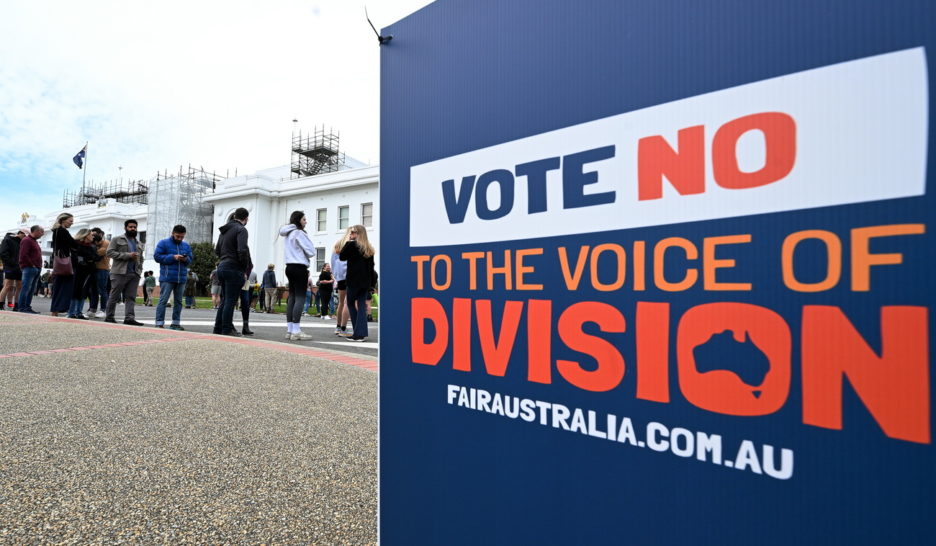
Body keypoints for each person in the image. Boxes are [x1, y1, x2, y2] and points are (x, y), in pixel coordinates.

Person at [278, 210, 317, 340]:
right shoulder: (299, 233)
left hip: (289, 267)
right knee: (300, 297)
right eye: (304, 219)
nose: (306, 222)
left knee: (292, 297)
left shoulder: (287, 234)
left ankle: (290, 330)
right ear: (299, 220)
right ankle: (296, 330)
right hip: (299, 267)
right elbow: (311, 251)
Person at [213, 207, 252, 336]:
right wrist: (243, 267)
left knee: (225, 300)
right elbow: (242, 250)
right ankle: (227, 328)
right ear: (245, 218)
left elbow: (217, 250)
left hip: (222, 266)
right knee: (230, 300)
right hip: (234, 267)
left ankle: (218, 328)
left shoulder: (224, 231)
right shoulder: (241, 229)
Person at [339, 224, 377, 341]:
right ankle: (361, 333)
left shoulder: (351, 245)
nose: (351, 235)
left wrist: (348, 242)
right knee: (361, 305)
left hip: (353, 280)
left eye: (353, 232)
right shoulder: (368, 248)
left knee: (350, 303)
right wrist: (372, 285)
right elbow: (371, 268)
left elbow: (342, 257)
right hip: (365, 282)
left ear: (358, 234)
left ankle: (358, 333)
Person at [105, 219, 145, 326]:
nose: (133, 229)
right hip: (119, 272)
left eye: (134, 227)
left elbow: (141, 258)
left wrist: (139, 270)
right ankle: (109, 316)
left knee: (131, 297)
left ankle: (129, 318)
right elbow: (109, 252)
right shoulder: (117, 239)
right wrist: (127, 255)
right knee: (114, 296)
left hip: (134, 273)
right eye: (130, 227)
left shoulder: (139, 243)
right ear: (125, 228)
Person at [153, 225, 193, 330]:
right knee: (163, 300)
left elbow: (190, 260)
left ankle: (175, 323)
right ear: (172, 233)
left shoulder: (186, 245)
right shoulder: (163, 243)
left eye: (182, 237)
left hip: (181, 278)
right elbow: (157, 257)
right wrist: (173, 257)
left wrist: (185, 259)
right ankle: (159, 323)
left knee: (179, 302)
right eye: (177, 236)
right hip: (167, 277)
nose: (180, 239)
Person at [49, 213, 77, 317]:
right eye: (70, 221)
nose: (72, 223)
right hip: (65, 263)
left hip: (58, 262)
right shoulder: (62, 231)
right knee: (64, 287)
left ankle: (54, 310)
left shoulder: (55, 231)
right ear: (63, 220)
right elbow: (73, 244)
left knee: (58, 287)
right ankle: (58, 309)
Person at [68, 229, 99, 319]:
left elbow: (96, 257)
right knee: (75, 291)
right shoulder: (76, 245)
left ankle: (79, 312)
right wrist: (88, 259)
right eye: (91, 235)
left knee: (83, 292)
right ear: (85, 236)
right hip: (78, 271)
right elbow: (77, 259)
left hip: (89, 272)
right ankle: (72, 312)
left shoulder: (91, 246)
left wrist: (88, 259)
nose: (93, 236)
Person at [16, 225, 43, 313]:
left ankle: (27, 307)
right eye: (41, 232)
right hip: (29, 268)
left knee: (31, 290)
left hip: (35, 268)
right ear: (35, 231)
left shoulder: (34, 241)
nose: (42, 234)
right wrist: (32, 265)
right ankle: (22, 308)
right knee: (26, 288)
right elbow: (23, 254)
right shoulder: (27, 240)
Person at [86, 227, 110, 318]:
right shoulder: (92, 244)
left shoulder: (106, 243)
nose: (93, 236)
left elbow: (99, 253)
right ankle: (92, 309)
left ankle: (103, 310)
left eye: (95, 234)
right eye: (92, 235)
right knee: (93, 291)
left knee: (102, 290)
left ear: (100, 234)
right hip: (93, 269)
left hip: (102, 269)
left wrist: (91, 250)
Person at [330, 229, 351, 335]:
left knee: (341, 303)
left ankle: (338, 327)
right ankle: (343, 328)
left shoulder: (337, 246)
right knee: (348, 303)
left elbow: (333, 264)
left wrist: (336, 276)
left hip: (340, 279)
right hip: (350, 277)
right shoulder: (351, 245)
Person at [0, 228, 25, 310]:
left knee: (19, 286)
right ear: (20, 233)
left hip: (19, 267)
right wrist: (11, 263)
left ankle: (15, 305)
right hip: (9, 266)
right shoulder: (7, 239)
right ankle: (1, 304)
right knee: (8, 285)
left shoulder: (21, 242)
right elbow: (3, 253)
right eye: (24, 235)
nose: (25, 237)